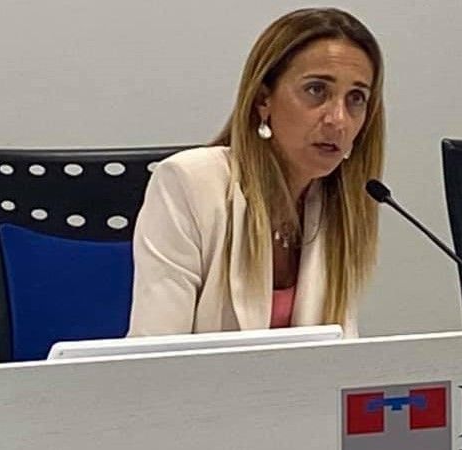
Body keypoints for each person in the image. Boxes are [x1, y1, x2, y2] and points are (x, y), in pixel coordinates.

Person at [129, 7, 385, 338]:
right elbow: (157, 352)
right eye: (316, 90)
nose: (338, 119)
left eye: (356, 98)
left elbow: (338, 357)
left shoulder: (339, 207)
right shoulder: (189, 184)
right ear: (264, 100)